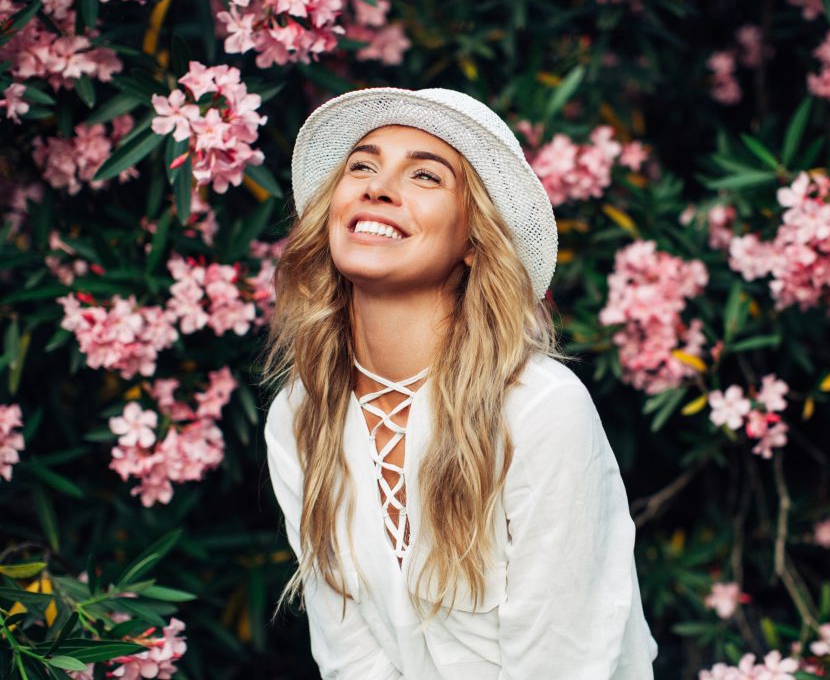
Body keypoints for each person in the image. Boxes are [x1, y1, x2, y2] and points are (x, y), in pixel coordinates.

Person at [262, 87, 657, 679]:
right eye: (362, 166)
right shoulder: (300, 416)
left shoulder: (539, 409)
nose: (378, 186)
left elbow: (562, 661)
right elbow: (352, 661)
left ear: (474, 240)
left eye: (425, 176)